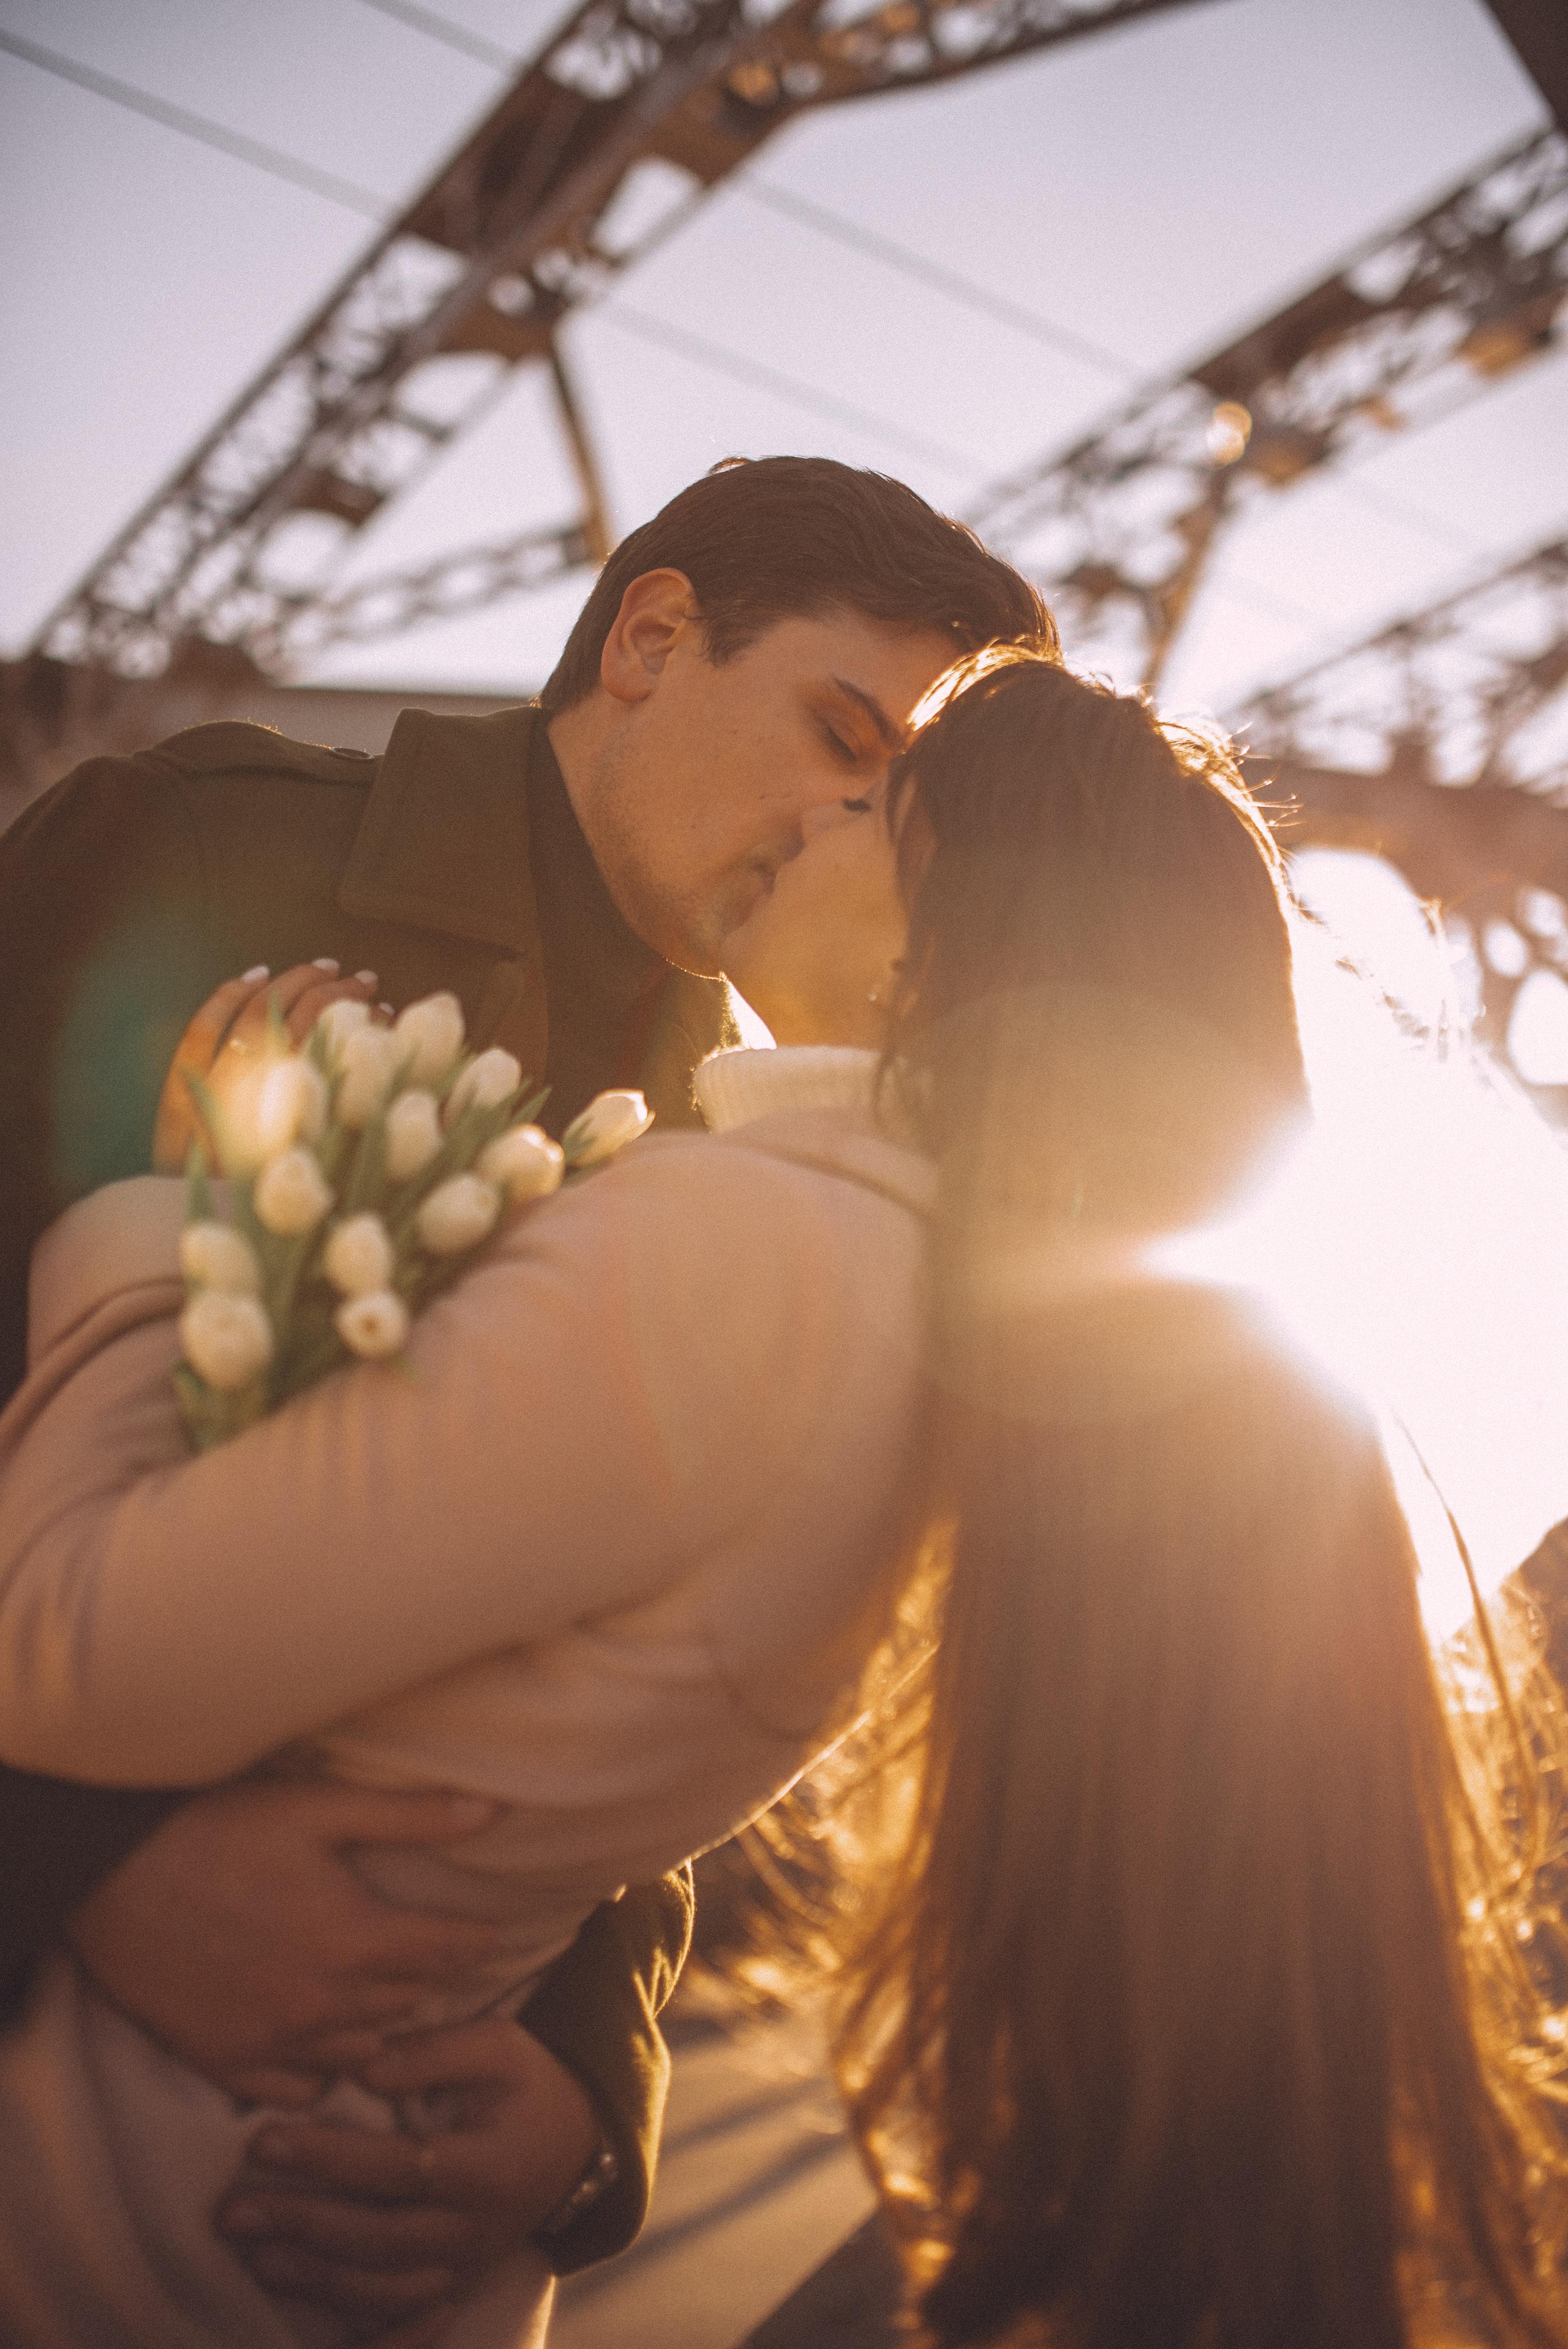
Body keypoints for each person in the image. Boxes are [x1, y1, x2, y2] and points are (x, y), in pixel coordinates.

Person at [2, 652, 1565, 2349]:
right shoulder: (933, 1328)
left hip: (102, 2211)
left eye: (872, 794)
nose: (816, 813)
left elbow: (59, 1640)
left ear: (940, 941)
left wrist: (173, 1214)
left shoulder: (761, 1255)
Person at [0, 455, 1049, 2326]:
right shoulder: (192, 850)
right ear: (651, 636)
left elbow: (611, 1700)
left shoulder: (755, 1143)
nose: (846, 813)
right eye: (838, 729)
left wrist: (582, 2103)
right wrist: (82, 1864)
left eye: (893, 794)